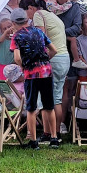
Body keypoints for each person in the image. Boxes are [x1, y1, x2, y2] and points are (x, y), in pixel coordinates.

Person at [10, 8, 58, 149]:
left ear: (13, 22)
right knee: (49, 105)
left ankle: (34, 141)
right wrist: (44, 62)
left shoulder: (17, 36)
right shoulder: (39, 31)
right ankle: (54, 138)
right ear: (27, 19)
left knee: (31, 108)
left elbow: (17, 57)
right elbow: (54, 50)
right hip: (46, 72)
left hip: (31, 74)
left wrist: (25, 66)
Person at [23, 0, 70, 136]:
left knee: (45, 98)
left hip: (53, 58)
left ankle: (47, 133)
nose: (27, 17)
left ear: (30, 8)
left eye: (25, 12)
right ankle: (56, 133)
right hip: (64, 58)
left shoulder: (38, 15)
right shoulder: (52, 15)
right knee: (57, 98)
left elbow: (41, 39)